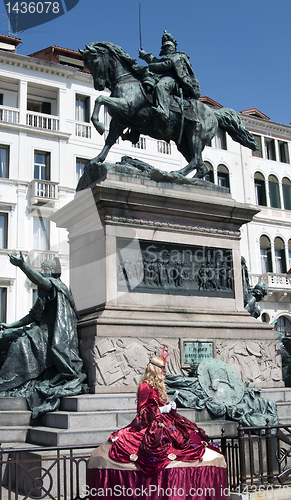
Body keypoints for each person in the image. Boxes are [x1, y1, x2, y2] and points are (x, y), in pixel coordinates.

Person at [0, 252, 87, 417]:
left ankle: (9, 382)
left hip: (52, 335)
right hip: (40, 330)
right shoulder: (46, 291)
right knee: (6, 337)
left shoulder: (56, 286)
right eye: (43, 269)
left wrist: (22, 265)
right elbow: (33, 316)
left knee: (20, 344)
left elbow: (39, 280)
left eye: (47, 269)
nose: (44, 272)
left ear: (54, 272)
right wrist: (10, 325)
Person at [108, 353, 223, 475]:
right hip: (151, 422)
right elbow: (141, 412)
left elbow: (160, 403)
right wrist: (161, 410)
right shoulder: (145, 386)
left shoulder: (159, 386)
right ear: (155, 369)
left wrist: (170, 407)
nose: (165, 371)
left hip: (165, 419)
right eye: (163, 368)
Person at [139, 31, 201, 123]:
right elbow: (156, 61)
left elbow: (166, 65)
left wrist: (151, 66)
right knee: (144, 83)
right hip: (160, 76)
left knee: (161, 86)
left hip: (174, 80)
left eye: (169, 46)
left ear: (174, 47)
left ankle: (164, 110)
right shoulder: (165, 57)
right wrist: (145, 56)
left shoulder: (177, 56)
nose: (167, 48)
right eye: (165, 47)